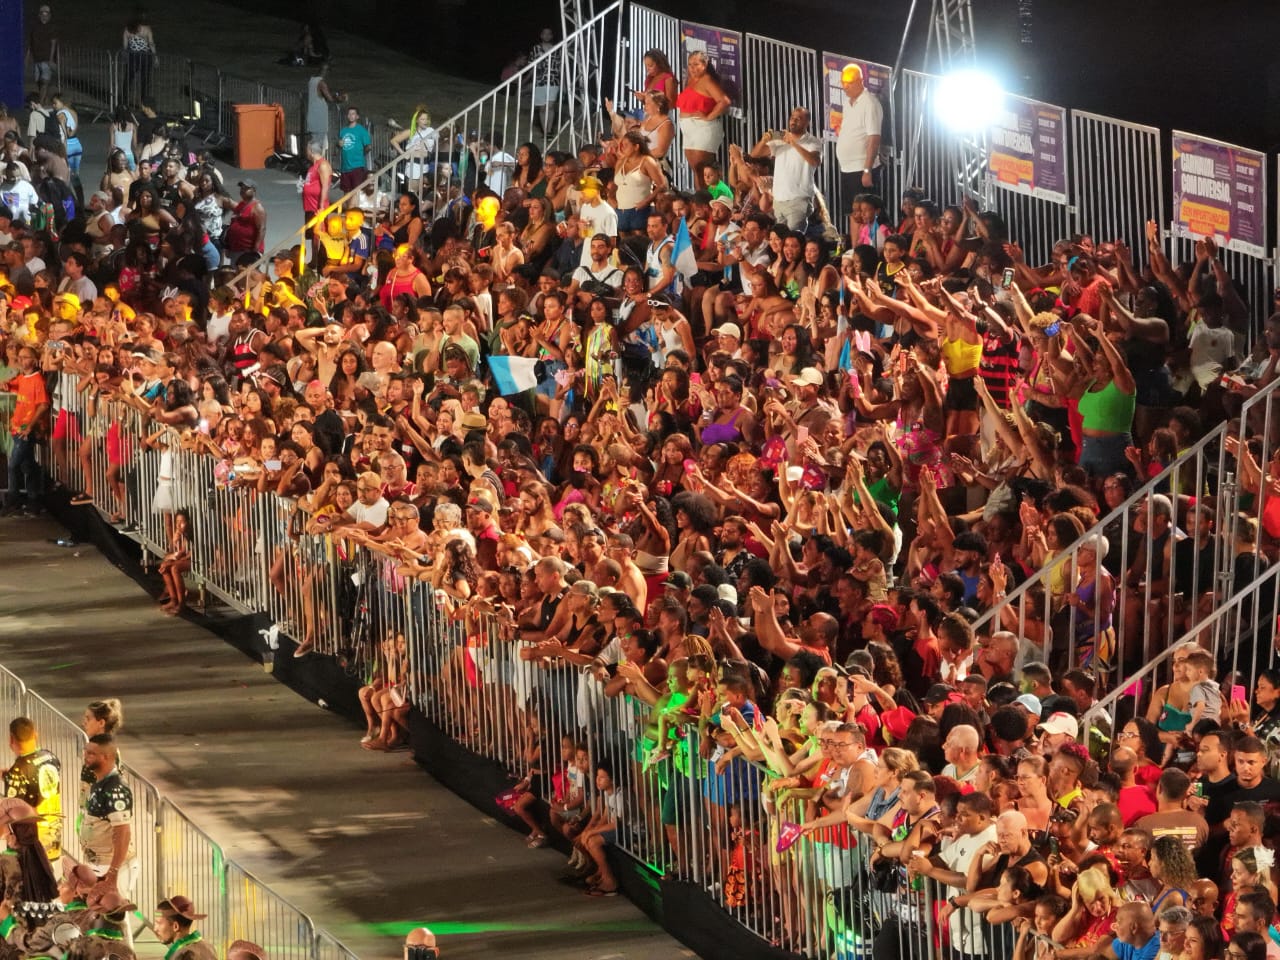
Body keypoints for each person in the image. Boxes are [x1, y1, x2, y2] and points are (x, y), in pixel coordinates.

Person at [80, 734, 136, 898]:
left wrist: (113, 873)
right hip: (99, 865)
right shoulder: (99, 782)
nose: (86, 756)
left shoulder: (115, 789)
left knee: (112, 911)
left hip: (109, 867)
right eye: (86, 751)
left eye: (91, 753)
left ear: (106, 757)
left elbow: (123, 833)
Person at [3, 717, 62, 863]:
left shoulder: (18, 771)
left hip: (30, 840)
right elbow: (37, 781)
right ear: (35, 734)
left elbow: (12, 811)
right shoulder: (50, 757)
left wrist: (8, 834)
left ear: (11, 739)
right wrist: (7, 776)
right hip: (52, 831)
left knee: (32, 875)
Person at [835, 64, 883, 205]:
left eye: (849, 82)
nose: (845, 86)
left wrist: (867, 170)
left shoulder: (870, 103)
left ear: (860, 81)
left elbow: (874, 139)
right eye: (843, 82)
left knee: (865, 212)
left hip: (861, 168)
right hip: (847, 168)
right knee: (852, 212)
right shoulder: (847, 103)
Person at [337, 107, 372, 192]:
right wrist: (338, 144)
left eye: (353, 114)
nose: (350, 115)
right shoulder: (343, 131)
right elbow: (339, 145)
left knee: (357, 192)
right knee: (346, 192)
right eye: (349, 114)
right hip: (345, 167)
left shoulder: (361, 130)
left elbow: (368, 146)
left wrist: (361, 154)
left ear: (357, 116)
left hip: (357, 166)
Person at [28, 5, 58, 105]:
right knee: (39, 81)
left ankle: (40, 104)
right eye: (42, 14)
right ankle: (45, 100)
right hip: (37, 59)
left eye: (46, 14)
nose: (44, 17)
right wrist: (28, 57)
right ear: (39, 15)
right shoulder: (35, 27)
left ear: (49, 16)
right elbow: (31, 43)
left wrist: (51, 59)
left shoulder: (52, 27)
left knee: (45, 81)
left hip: (47, 59)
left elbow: (53, 43)